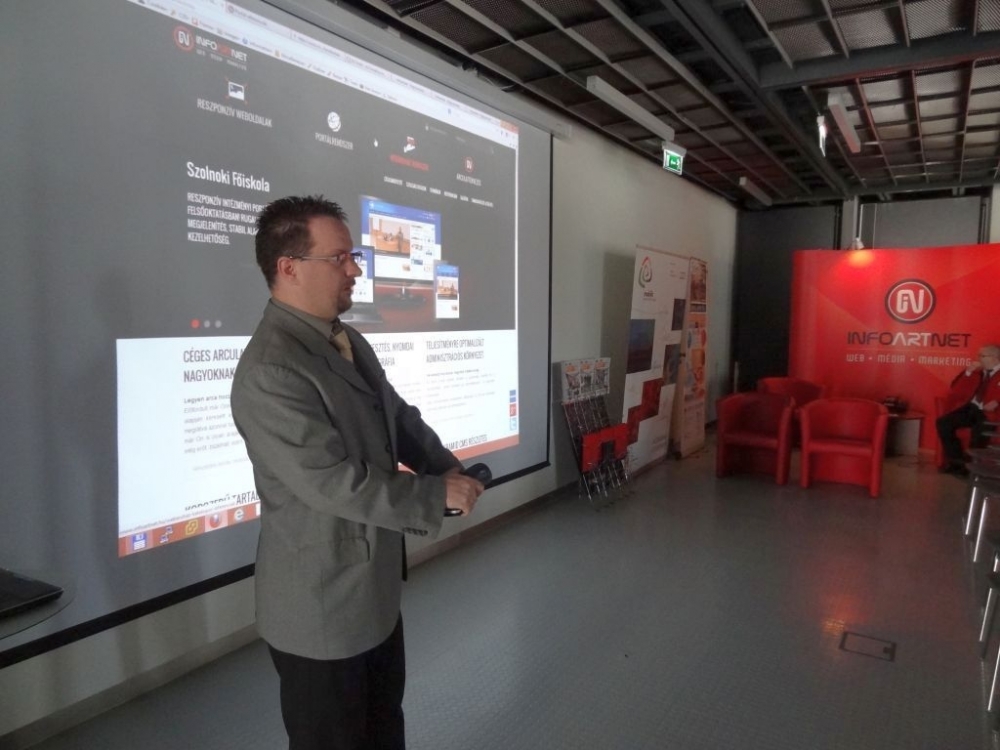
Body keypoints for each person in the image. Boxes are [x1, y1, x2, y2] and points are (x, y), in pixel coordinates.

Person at [230, 195, 484, 750]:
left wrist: (444, 466)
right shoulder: (272, 370)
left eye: (354, 256)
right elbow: (332, 481)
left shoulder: (344, 338)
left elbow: (397, 416)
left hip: (371, 594)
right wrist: (433, 495)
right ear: (289, 267)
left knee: (383, 728)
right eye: (339, 258)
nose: (355, 270)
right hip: (322, 609)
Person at [936, 343, 1000, 476]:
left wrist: (998, 402)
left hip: (990, 414)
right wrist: (968, 372)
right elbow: (957, 389)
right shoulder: (978, 373)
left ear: (995, 358)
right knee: (943, 423)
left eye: (982, 356)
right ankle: (957, 462)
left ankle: (972, 468)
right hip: (972, 408)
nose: (979, 359)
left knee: (979, 432)